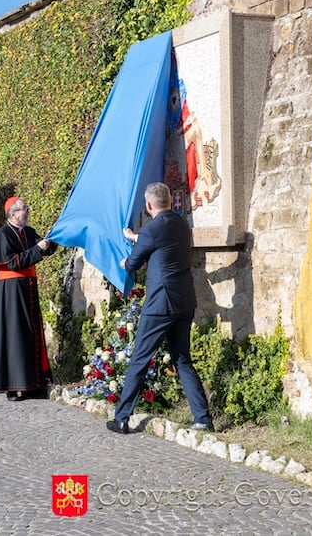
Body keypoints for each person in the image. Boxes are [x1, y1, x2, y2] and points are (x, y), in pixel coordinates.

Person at [107, 182, 213, 434]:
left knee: (140, 360)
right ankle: (203, 418)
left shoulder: (151, 230)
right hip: (184, 301)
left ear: (148, 205)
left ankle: (121, 418)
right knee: (183, 360)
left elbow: (133, 264)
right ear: (169, 200)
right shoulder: (181, 224)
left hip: (159, 304)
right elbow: (160, 243)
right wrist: (135, 237)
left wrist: (125, 261)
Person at [0, 196, 56, 401]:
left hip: (28, 287)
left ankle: (33, 384)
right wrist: (38, 249)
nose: (28, 211)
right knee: (14, 335)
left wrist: (53, 238)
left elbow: (45, 250)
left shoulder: (28, 231)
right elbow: (13, 263)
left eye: (27, 208)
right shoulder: (2, 235)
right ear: (12, 213)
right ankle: (13, 386)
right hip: (12, 290)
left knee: (31, 333)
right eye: (24, 209)